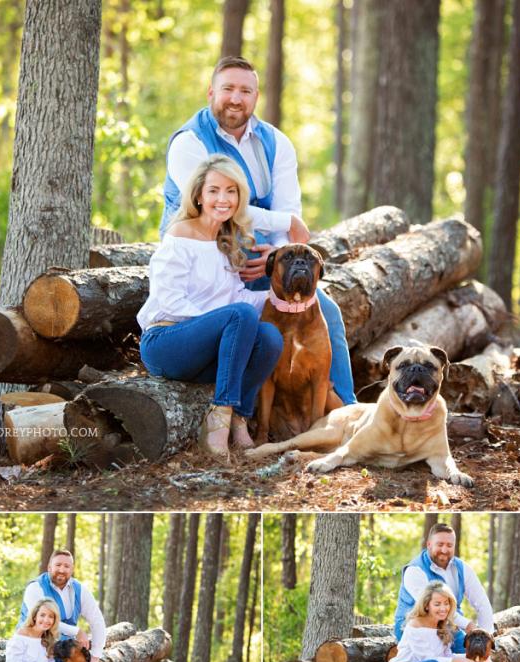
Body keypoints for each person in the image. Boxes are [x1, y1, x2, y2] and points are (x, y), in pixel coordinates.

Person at [160, 55, 356, 407]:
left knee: (325, 311)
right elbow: (222, 205)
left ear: (256, 96)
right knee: (251, 324)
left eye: (245, 90)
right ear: (210, 92)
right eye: (228, 89)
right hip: (204, 267)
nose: (236, 98)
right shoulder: (188, 142)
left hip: (261, 266)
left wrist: (277, 254)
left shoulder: (276, 143)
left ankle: (347, 413)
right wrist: (284, 226)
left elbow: (288, 207)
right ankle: (249, 413)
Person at [138, 154, 284, 458]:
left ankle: (240, 419)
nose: (223, 199)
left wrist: (278, 297)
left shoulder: (225, 242)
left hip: (207, 353)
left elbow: (239, 302)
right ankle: (218, 420)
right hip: (167, 344)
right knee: (239, 316)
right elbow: (169, 301)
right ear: (199, 196)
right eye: (214, 190)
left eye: (231, 191)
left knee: (270, 337)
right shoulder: (180, 236)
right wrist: (222, 320)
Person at [19, 549, 109, 662]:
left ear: (72, 569)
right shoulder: (35, 588)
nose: (62, 569)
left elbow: (97, 621)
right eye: (58, 565)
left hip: (64, 651)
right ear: (49, 567)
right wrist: (77, 631)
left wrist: (96, 655)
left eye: (66, 566)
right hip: (36, 649)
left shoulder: (79, 590)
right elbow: (46, 621)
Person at [394, 523, 494, 653]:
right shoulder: (415, 571)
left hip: (449, 626)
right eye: (440, 545)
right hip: (416, 627)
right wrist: (467, 624)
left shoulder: (462, 568)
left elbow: (482, 602)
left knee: (474, 652)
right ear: (429, 544)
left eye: (449, 545)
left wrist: (486, 636)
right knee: (447, 659)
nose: (444, 550)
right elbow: (431, 608)